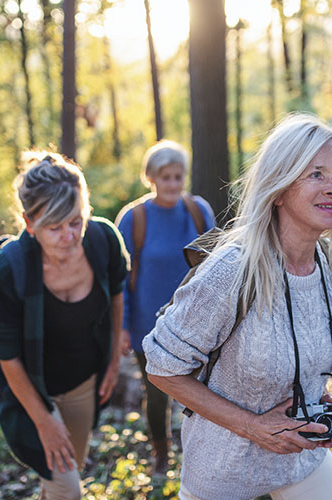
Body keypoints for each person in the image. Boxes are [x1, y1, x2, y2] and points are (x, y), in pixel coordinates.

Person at [142, 114, 332, 500]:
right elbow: (161, 366)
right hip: (225, 473)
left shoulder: (328, 262)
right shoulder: (232, 270)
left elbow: (300, 351)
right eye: (316, 175)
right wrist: (253, 425)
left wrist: (323, 406)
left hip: (301, 458)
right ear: (278, 188)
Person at [0, 152, 129, 500]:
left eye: (76, 221)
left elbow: (118, 293)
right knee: (68, 489)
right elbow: (7, 356)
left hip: (83, 381)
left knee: (63, 475)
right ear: (30, 225)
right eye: (54, 227)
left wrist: (112, 363)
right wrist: (45, 421)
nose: (69, 236)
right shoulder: (9, 268)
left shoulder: (103, 239)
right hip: (30, 389)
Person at [115, 140, 215, 474]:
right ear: (152, 178)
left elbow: (218, 267)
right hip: (149, 325)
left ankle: (199, 458)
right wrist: (123, 327)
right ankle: (161, 454)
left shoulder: (198, 211)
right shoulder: (134, 218)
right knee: (157, 394)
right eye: (166, 177)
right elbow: (121, 279)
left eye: (178, 176)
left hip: (197, 322)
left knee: (202, 395)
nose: (173, 184)